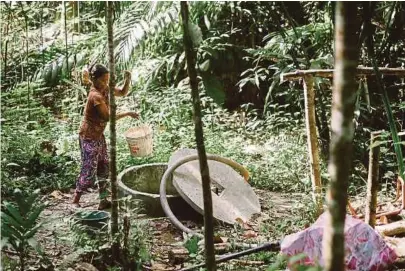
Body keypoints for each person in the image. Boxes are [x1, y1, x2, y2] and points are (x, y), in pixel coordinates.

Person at [72, 63, 138, 209]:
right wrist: (127, 113)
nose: (105, 83)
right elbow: (108, 117)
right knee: (88, 168)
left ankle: (103, 200)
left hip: (99, 136)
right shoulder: (95, 96)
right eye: (102, 80)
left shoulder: (105, 89)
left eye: (107, 80)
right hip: (88, 136)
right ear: (94, 80)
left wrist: (127, 79)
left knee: (103, 166)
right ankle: (75, 200)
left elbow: (121, 92)